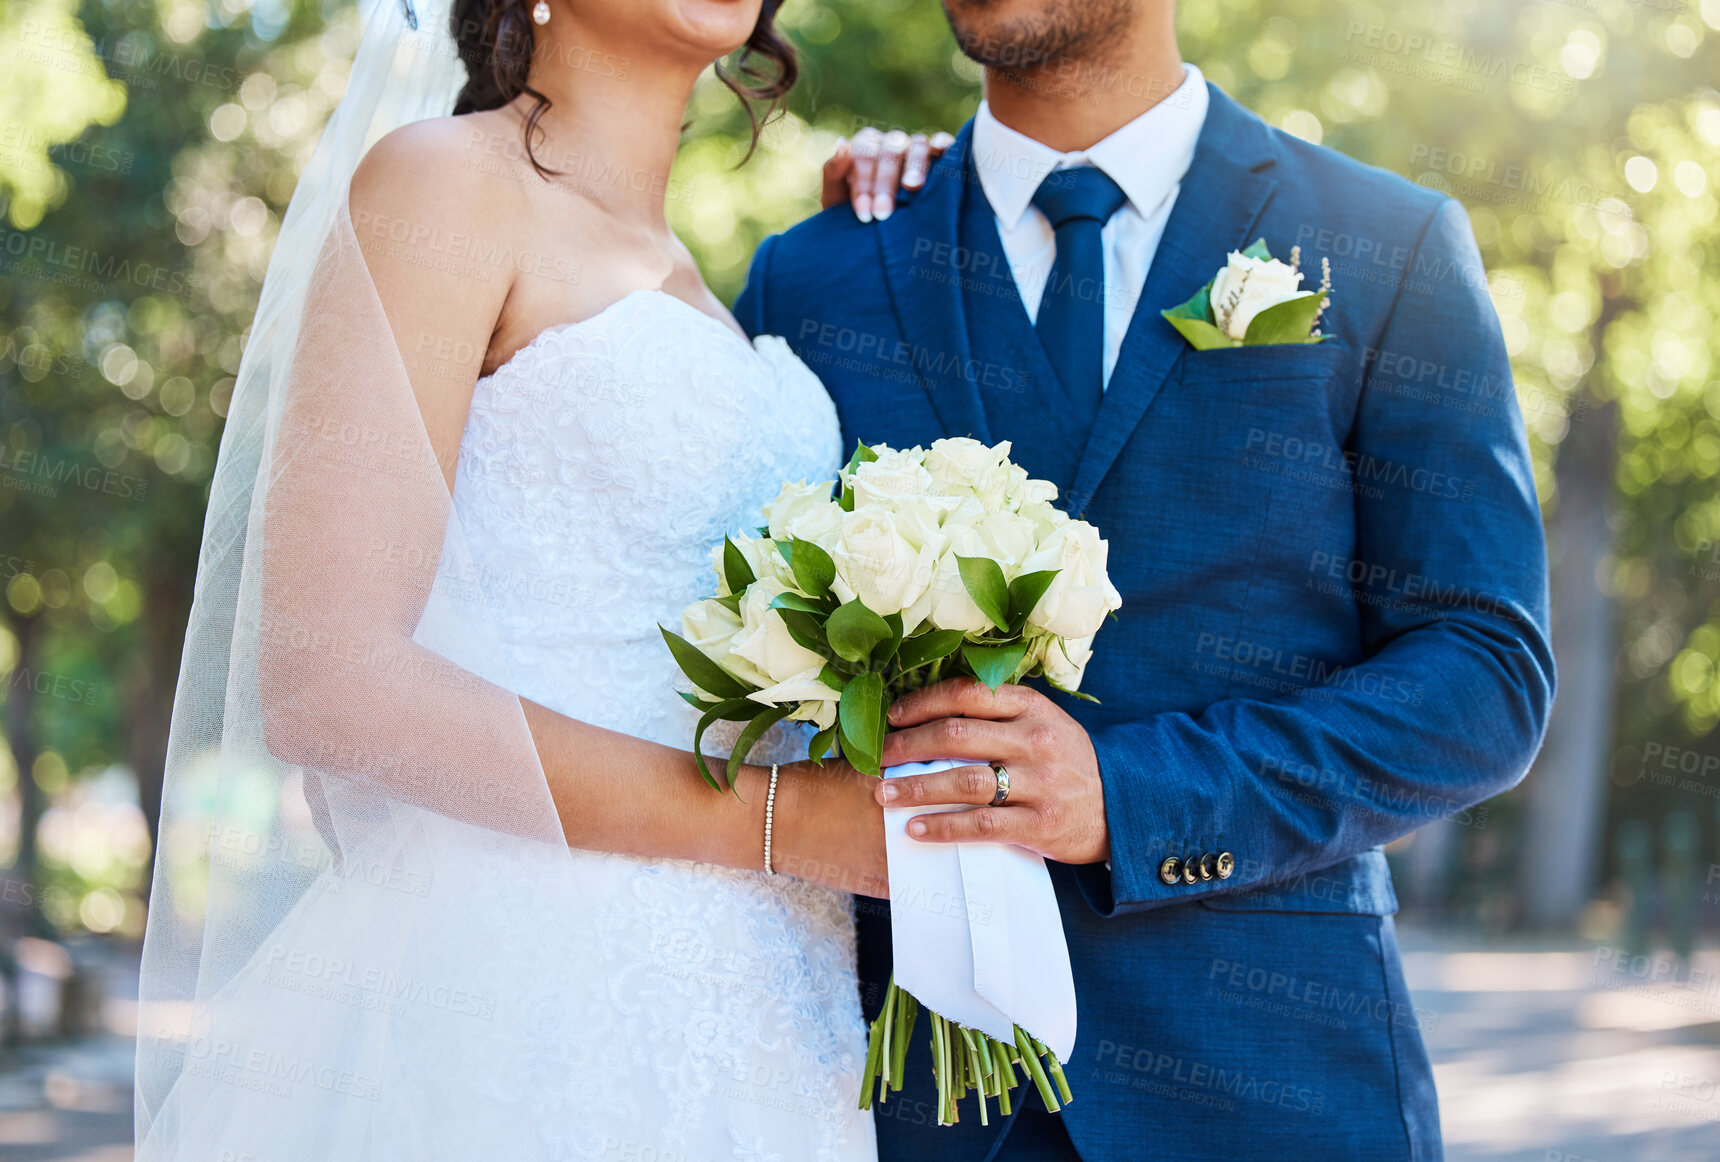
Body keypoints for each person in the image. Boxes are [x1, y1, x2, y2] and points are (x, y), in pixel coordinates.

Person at [737, 1, 1556, 1158]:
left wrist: (1130, 795)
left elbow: (1485, 671)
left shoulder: (1388, 243)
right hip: (910, 1097)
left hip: (1272, 1082)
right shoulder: (818, 271)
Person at [134, 0, 913, 1157]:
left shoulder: (710, 284)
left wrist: (924, 191)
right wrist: (783, 821)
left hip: (768, 1017)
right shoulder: (444, 186)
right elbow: (328, 680)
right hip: (521, 995)